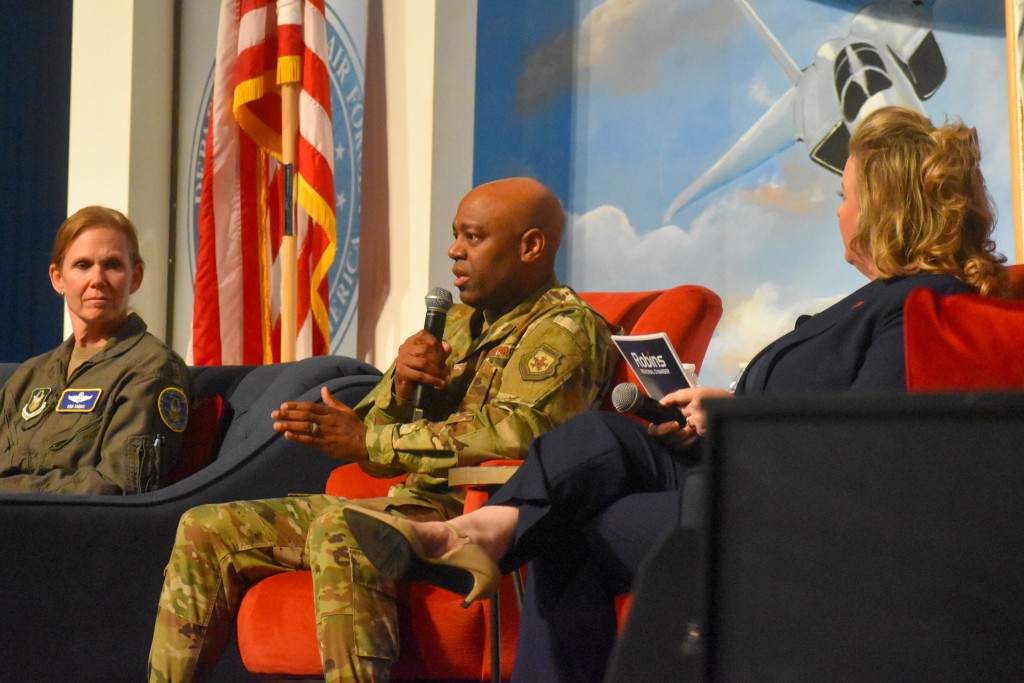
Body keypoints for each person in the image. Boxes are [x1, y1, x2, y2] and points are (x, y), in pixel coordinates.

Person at [343, 106, 1010, 682]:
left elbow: (863, 440)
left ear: (883, 209)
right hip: (734, 462)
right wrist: (717, 412)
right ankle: (481, 529)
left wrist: (738, 417)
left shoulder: (923, 305)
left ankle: (483, 533)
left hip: (781, 504)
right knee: (599, 434)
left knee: (572, 529)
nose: (838, 209)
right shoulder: (873, 301)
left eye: (845, 194)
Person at [147, 177, 618, 682]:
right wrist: (398, 395)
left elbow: (516, 433)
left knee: (345, 529)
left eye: (474, 237)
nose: (454, 251)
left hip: (484, 518)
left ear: (530, 246)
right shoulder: (453, 325)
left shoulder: (567, 327)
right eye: (456, 234)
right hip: (408, 500)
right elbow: (369, 452)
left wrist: (371, 439)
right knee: (205, 527)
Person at [0, 206, 192, 494]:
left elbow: (118, 487)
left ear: (136, 276)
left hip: (76, 532)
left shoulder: (151, 369)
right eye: (82, 265)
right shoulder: (30, 376)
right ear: (58, 278)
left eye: (112, 265)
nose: (97, 279)